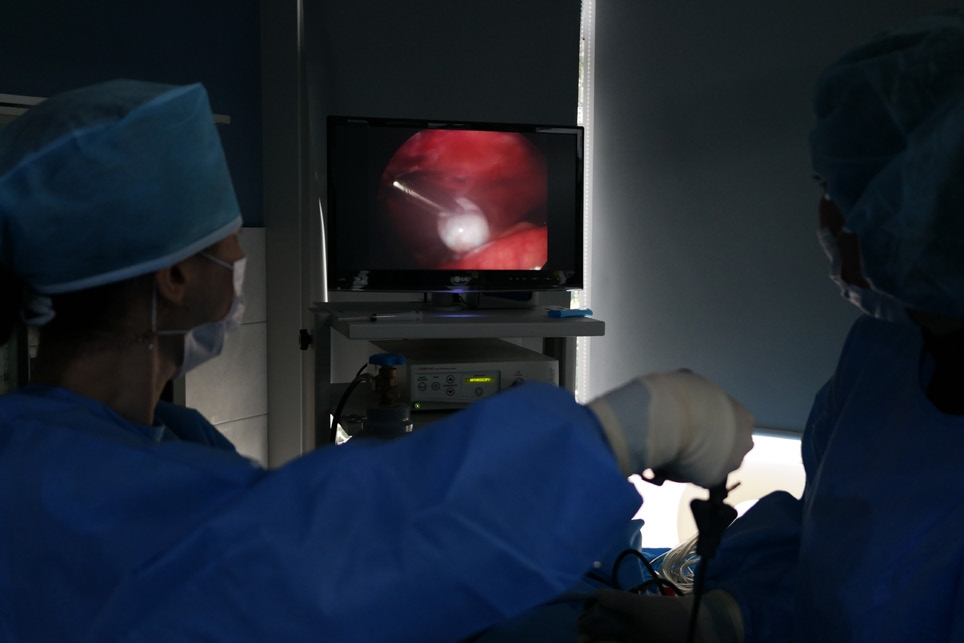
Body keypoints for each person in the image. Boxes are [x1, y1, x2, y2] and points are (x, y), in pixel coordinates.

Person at [0, 79, 753, 642]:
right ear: (173, 278)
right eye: (228, 246)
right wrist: (623, 430)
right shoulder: (57, 487)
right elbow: (317, 559)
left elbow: (288, 525)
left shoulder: (155, 439)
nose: (239, 262)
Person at [575, 9, 964, 643]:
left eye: (846, 187)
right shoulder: (886, 348)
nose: (826, 212)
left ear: (937, 204)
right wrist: (729, 618)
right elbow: (823, 542)